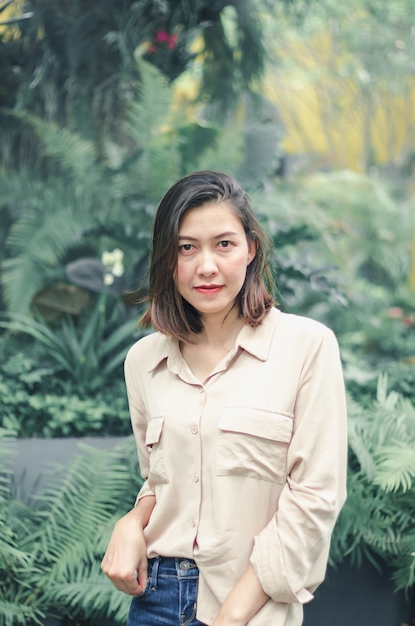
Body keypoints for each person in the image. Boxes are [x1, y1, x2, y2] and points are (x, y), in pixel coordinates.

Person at [101, 170, 348, 626]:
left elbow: (315, 498)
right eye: (186, 247)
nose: (206, 266)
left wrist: (232, 616)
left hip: (251, 607)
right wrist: (131, 523)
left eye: (224, 244)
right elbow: (159, 482)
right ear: (166, 259)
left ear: (251, 248)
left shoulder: (306, 347)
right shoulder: (143, 361)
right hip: (155, 599)